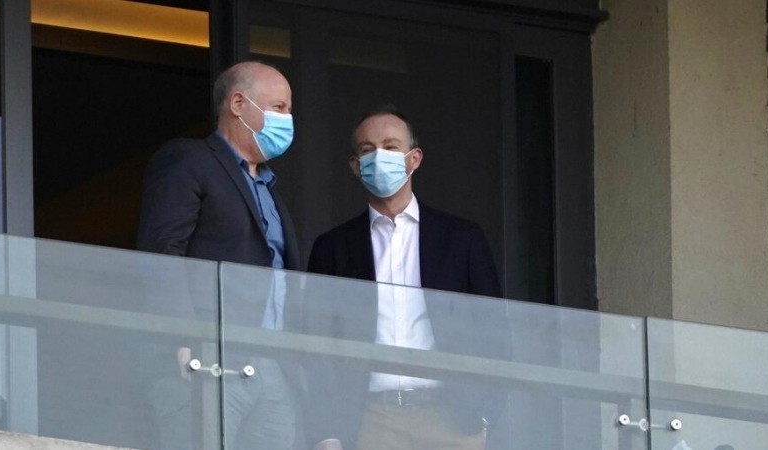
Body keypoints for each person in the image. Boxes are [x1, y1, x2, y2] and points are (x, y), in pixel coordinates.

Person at [305, 106, 508, 450]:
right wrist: (328, 431)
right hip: (368, 420)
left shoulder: (461, 238)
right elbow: (316, 341)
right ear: (354, 166)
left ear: (414, 159)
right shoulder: (333, 247)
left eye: (391, 146)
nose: (379, 156)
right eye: (368, 150)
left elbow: (494, 330)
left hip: (452, 419)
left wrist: (484, 415)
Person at [137, 61, 300, 450]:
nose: (288, 119)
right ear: (239, 104)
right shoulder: (188, 160)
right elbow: (163, 251)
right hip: (208, 359)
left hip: (271, 365)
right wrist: (185, 336)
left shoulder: (268, 186)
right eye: (279, 108)